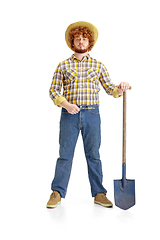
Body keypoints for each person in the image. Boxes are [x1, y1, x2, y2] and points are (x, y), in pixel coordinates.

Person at [47, 21, 130, 208]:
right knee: (65, 155)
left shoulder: (98, 65)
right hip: (69, 114)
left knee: (94, 155)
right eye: (77, 39)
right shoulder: (63, 65)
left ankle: (99, 193)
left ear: (89, 42)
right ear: (72, 42)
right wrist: (67, 105)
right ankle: (57, 192)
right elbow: (53, 91)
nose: (81, 42)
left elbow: (111, 90)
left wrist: (121, 87)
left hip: (93, 113)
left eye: (84, 39)